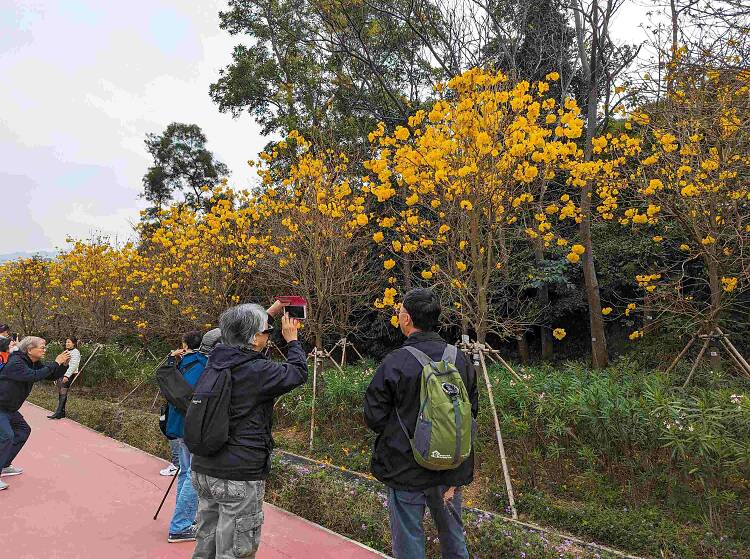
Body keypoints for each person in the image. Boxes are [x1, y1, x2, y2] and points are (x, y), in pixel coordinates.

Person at [364, 288, 479, 559]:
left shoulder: (396, 362)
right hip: (451, 465)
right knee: (453, 538)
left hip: (406, 468)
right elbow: (471, 410)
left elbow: (374, 415)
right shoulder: (459, 359)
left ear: (406, 318)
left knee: (409, 542)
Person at [191, 303, 307, 559]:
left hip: (204, 469)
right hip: (238, 473)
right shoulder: (257, 370)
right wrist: (292, 341)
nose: (269, 336)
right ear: (255, 338)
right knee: (235, 550)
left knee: (206, 544)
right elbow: (298, 372)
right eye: (267, 332)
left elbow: (238, 327)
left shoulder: (215, 361)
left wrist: (270, 312)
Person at [0, 336, 70, 491]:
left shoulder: (32, 361)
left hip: (9, 408)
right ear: (29, 349)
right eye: (42, 347)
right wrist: (56, 362)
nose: (44, 349)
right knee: (7, 436)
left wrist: (63, 365)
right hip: (1, 407)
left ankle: (4, 465)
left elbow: (48, 374)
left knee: (23, 431)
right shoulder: (16, 362)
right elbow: (33, 376)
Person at [164, 329, 207, 543]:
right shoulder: (203, 364)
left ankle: (182, 520)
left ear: (184, 344)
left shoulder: (175, 363)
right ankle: (180, 525)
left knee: (184, 472)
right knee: (193, 474)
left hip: (176, 426)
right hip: (192, 427)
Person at [48, 337, 81, 420]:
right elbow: (60, 363)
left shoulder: (75, 352)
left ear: (74, 343)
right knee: (61, 392)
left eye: (69, 342)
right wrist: (56, 375)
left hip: (69, 374)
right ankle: (62, 412)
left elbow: (73, 365)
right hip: (62, 373)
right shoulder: (66, 351)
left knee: (63, 392)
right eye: (66, 342)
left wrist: (67, 376)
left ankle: (58, 412)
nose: (67, 344)